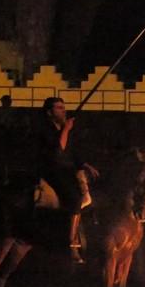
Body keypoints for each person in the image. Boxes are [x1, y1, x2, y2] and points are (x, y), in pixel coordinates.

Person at [37, 97, 100, 264]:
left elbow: (72, 151)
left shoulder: (66, 129)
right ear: (50, 112)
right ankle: (71, 242)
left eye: (64, 107)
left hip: (68, 169)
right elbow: (58, 151)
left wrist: (86, 165)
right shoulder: (45, 129)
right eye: (59, 108)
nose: (63, 110)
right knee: (74, 198)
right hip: (53, 170)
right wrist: (65, 130)